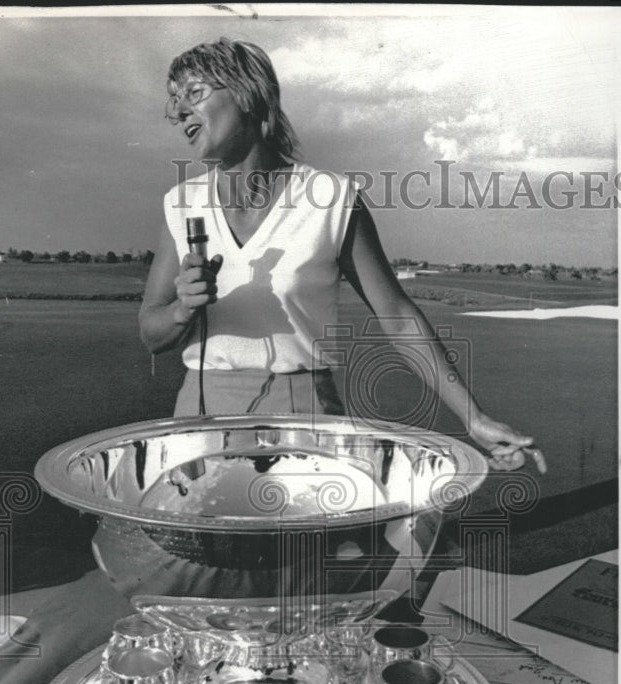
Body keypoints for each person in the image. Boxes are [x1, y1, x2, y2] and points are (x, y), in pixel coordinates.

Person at [139, 37, 545, 474]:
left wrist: (474, 418)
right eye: (174, 101)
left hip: (304, 415)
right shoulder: (180, 205)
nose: (180, 111)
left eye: (194, 93)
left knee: (304, 544)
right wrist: (182, 309)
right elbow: (151, 332)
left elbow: (398, 316)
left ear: (249, 93)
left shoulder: (331, 199)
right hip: (198, 418)